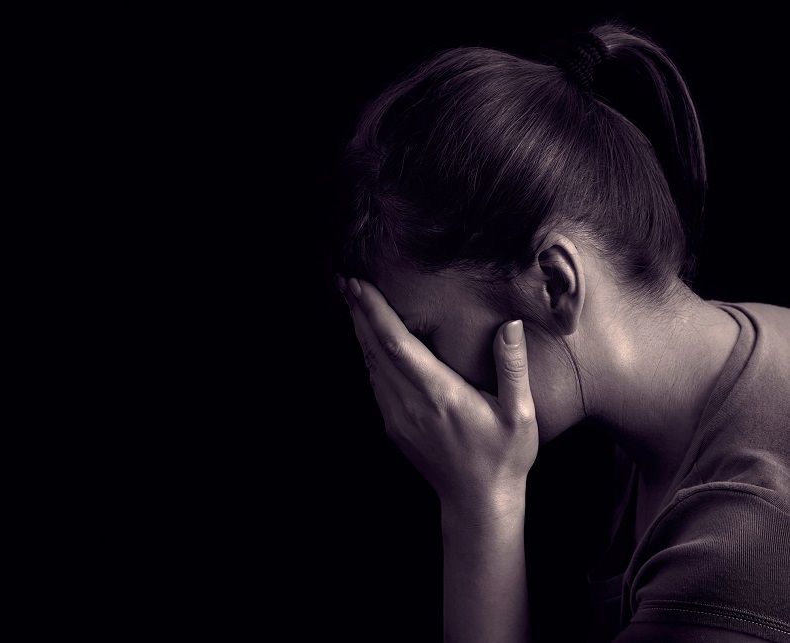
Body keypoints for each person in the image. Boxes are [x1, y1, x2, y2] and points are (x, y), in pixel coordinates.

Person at [333, 20, 790, 643]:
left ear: (554, 283)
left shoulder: (739, 539)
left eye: (423, 340)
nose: (412, 391)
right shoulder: (737, 345)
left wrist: (479, 508)